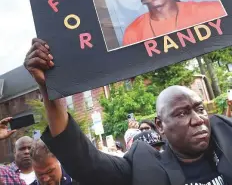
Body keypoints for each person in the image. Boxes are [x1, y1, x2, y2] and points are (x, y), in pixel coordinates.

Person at [24, 38, 232, 185]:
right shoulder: (142, 168)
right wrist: (49, 86)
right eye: (181, 113)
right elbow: (85, 162)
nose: (197, 120)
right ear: (160, 126)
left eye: (200, 109)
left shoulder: (226, 139)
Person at [0, 117, 26, 184]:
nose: (26, 152)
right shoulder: (5, 173)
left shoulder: (16, 179)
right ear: (15, 152)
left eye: (30, 148)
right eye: (22, 149)